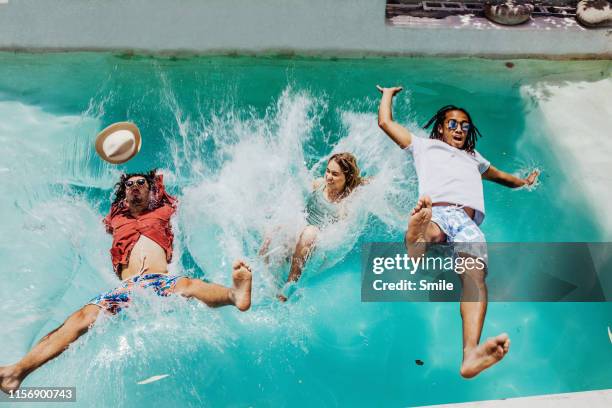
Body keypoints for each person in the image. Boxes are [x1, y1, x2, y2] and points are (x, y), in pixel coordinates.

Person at [0, 170, 252, 393]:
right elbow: (102, 215)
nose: (135, 187)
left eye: (141, 183)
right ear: (124, 196)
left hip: (159, 280)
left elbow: (170, 190)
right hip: (126, 289)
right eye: (130, 185)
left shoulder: (164, 210)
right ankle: (16, 372)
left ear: (151, 190)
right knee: (80, 319)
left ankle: (234, 295)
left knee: (187, 285)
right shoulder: (116, 219)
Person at [376, 85, 539, 378]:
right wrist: (387, 94)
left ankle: (471, 354)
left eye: (465, 125)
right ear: (440, 128)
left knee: (475, 275)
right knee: (434, 235)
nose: (460, 129)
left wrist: (525, 182)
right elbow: (386, 123)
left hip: (467, 223)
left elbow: (502, 177)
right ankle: (417, 236)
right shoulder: (423, 146)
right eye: (453, 124)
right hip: (435, 211)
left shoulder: (475, 158)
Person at [260, 153, 367, 301]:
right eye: (328, 171)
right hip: (300, 233)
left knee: (310, 232)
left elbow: (339, 233)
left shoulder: (345, 204)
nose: (329, 176)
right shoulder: (318, 184)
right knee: (276, 228)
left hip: (315, 244)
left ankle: (290, 285)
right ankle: (263, 277)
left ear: (347, 177)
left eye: (335, 174)